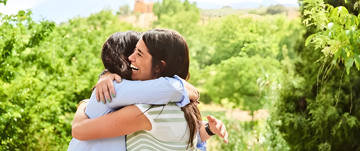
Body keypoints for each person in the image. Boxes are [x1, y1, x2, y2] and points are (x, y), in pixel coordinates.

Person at [71, 29, 228, 151]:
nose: (132, 58)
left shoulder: (147, 109)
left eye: (138, 53)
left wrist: (83, 104)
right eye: (132, 52)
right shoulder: (176, 105)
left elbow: (79, 130)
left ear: (160, 66)